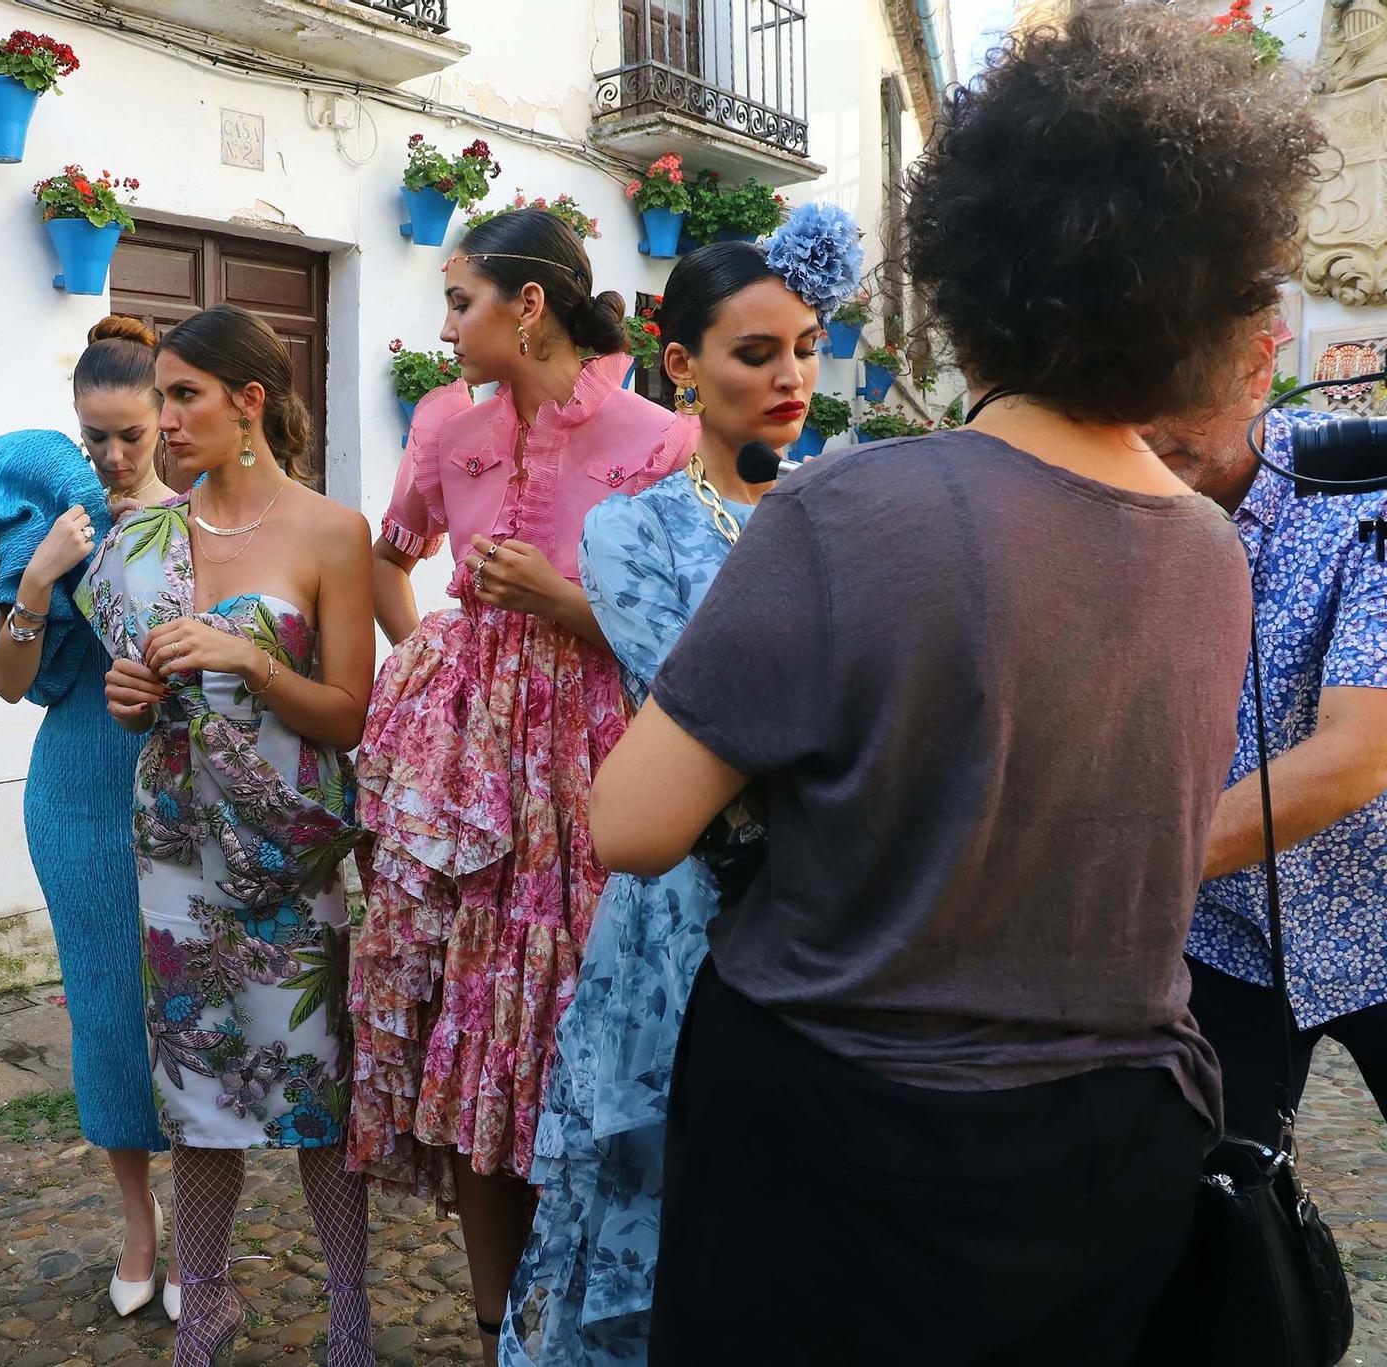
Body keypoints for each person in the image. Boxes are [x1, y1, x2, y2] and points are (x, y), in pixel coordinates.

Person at [588, 11, 1325, 1364]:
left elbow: (629, 823)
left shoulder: (845, 510)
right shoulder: (1212, 552)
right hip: (1110, 1140)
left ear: (976, 255)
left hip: (833, 1128)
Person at [501, 207, 861, 1367]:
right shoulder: (631, 532)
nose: (790, 374)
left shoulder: (851, 514)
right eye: (754, 353)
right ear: (681, 365)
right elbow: (711, 713)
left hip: (838, 908)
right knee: (658, 1180)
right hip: (687, 910)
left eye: (805, 345)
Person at [348, 207, 697, 1364]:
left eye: (459, 300)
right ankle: (497, 1324)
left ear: (526, 305)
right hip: (473, 778)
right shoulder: (447, 423)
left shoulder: (657, 437)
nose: (446, 326)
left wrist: (561, 605)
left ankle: (593, 1310)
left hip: (603, 769)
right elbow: (387, 556)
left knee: (572, 1037)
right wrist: (427, 674)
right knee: (470, 1036)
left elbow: (688, 640)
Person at [79, 304, 378, 1367]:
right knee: (194, 1082)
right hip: (174, 848)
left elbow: (351, 712)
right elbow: (145, 694)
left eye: (182, 396)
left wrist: (250, 662)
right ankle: (200, 1304)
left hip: (284, 852)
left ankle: (350, 1307)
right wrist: (128, 694)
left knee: (315, 1083)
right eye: (160, 397)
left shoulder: (330, 531)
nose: (163, 419)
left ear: (247, 401)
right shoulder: (140, 538)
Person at [0, 315, 182, 1322]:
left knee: (200, 1012)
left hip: (189, 792)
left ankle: (204, 1229)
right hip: (79, 794)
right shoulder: (47, 518)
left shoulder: (206, 513)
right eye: (96, 436)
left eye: (132, 434)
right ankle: (137, 1223)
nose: (115, 456)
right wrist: (38, 576)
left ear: (168, 418)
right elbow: (11, 685)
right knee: (103, 1014)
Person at [1144, 324, 1387, 1149]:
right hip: (1223, 940)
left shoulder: (1363, 486)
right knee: (1206, 1211)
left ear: (1256, 363)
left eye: (1167, 382)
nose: (1136, 422)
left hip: (1380, 917)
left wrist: (1123, 869)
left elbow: (1357, 753)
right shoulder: (1110, 509)